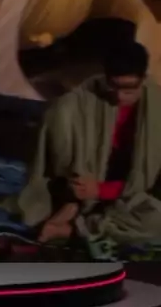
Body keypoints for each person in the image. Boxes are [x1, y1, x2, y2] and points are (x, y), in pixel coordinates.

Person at [8, 41, 161, 249]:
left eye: (128, 89)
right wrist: (80, 185)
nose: (119, 96)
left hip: (128, 192)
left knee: (155, 221)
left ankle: (74, 229)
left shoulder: (156, 105)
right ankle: (73, 204)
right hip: (80, 179)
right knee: (61, 112)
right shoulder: (87, 95)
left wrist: (101, 191)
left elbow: (147, 182)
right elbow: (61, 140)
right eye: (113, 86)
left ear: (143, 79)